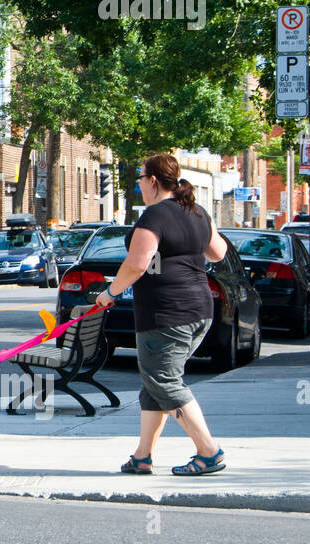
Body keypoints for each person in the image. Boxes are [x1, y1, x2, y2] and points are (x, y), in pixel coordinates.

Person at [96, 153, 228, 476]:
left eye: (141, 178)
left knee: (164, 381)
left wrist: (109, 293)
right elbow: (219, 252)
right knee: (154, 383)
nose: (139, 185)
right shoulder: (197, 212)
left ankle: (209, 451)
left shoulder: (153, 217)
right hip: (200, 310)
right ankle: (143, 456)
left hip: (166, 313)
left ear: (153, 181)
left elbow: (137, 264)